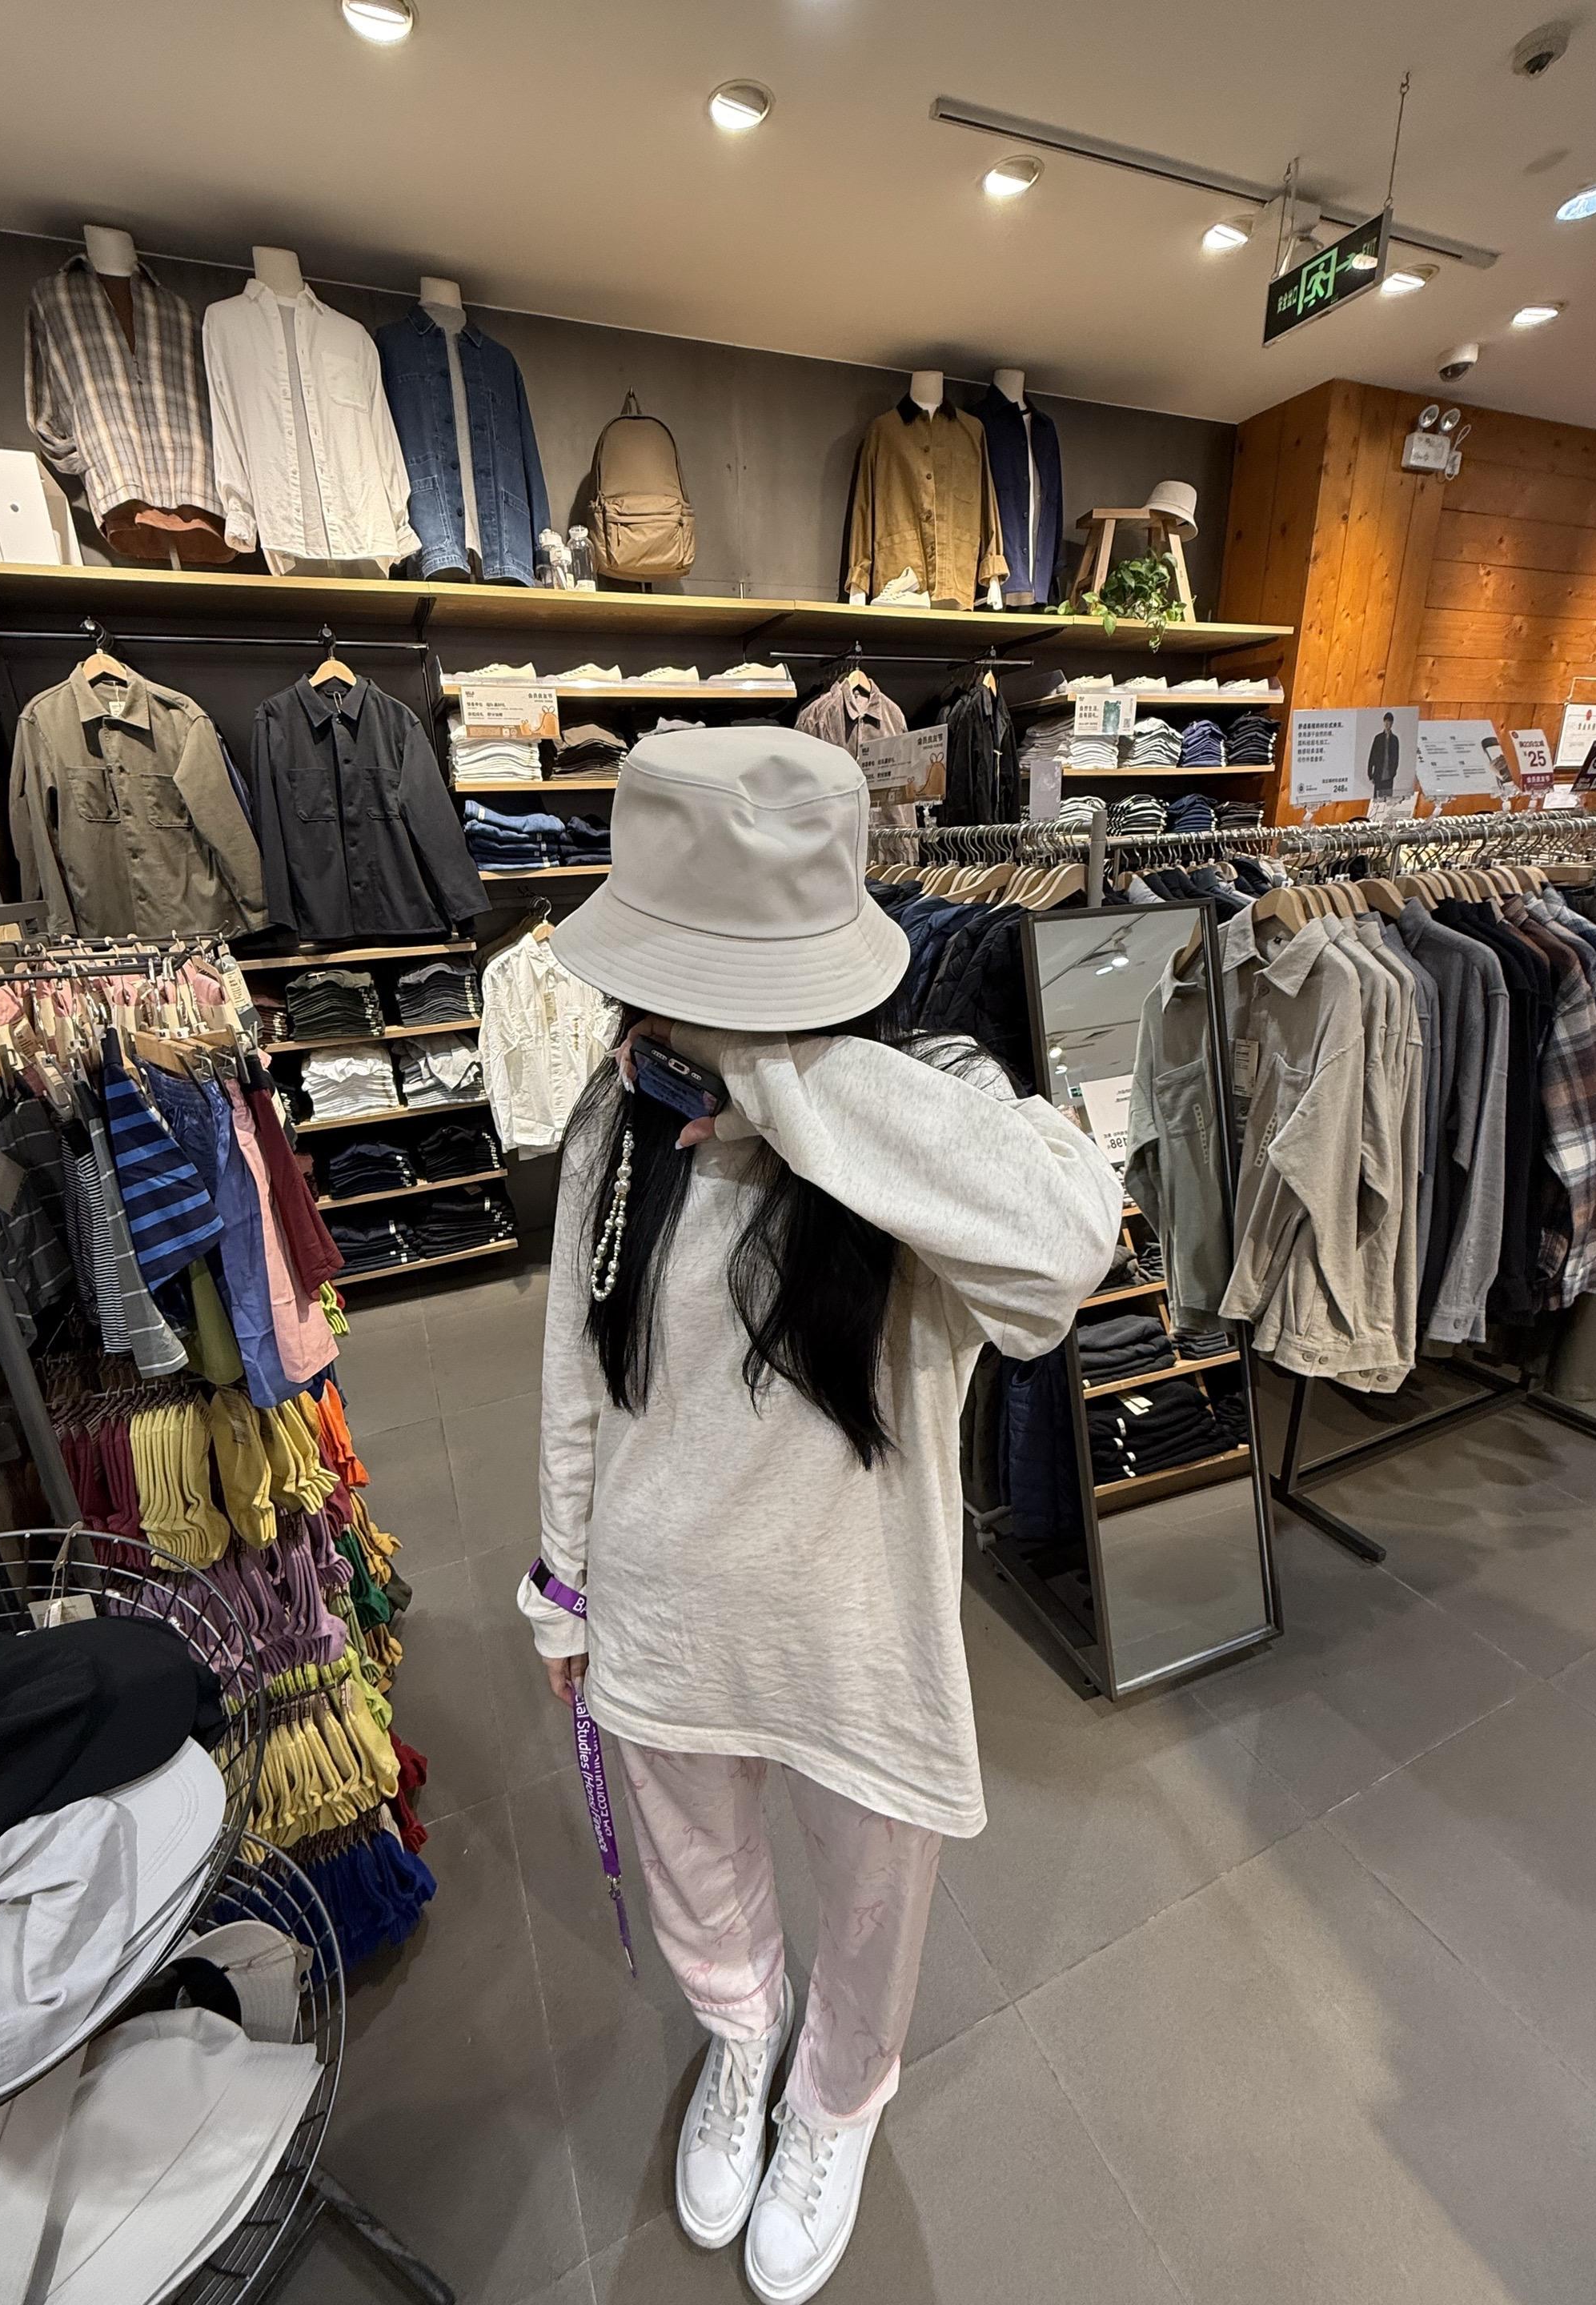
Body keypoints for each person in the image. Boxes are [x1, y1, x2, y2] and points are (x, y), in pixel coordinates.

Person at [518, 728, 1120, 2303]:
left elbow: (1064, 1249)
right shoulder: (616, 1122)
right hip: (663, 1604)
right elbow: (578, 1375)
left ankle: (835, 2107)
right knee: (699, 1882)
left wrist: (787, 1081)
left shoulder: (923, 1105)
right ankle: (741, 2038)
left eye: (704, 981)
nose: (664, 1017)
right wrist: (562, 1582)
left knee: (870, 1902)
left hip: (856, 1627)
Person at [1367, 711, 1401, 799]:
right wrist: (1370, 774)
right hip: (1378, 773)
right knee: (1377, 799)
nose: (1387, 724)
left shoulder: (1395, 739)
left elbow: (1396, 758)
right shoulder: (1378, 738)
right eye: (1385, 721)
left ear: (1392, 723)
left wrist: (1393, 772)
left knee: (1388, 799)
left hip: (1389, 775)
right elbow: (1372, 756)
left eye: (1389, 722)